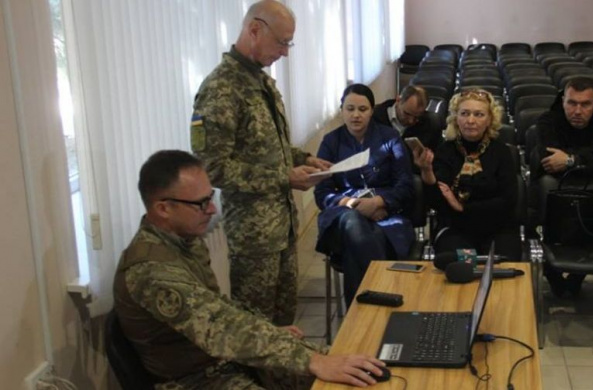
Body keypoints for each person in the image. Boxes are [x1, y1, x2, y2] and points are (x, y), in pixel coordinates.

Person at [114, 150, 386, 389]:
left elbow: (219, 307)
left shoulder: (183, 241)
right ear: (163, 209)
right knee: (322, 366)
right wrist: (312, 361)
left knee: (356, 373)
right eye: (200, 203)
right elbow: (221, 327)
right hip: (194, 379)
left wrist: (271, 332)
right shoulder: (151, 272)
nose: (211, 209)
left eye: (210, 198)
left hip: (224, 359)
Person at [190, 0, 331, 326]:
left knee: (283, 326)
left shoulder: (261, 81)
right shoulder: (220, 90)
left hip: (281, 228)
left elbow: (270, 149)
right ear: (254, 29)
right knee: (257, 328)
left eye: (289, 43)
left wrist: (305, 159)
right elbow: (212, 168)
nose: (285, 53)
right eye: (282, 42)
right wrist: (284, 177)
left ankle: (282, 380)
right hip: (254, 240)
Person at [314, 84, 415, 307]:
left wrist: (379, 202)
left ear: (372, 111)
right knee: (353, 223)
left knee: (356, 248)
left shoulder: (390, 137)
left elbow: (406, 184)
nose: (356, 115)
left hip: (385, 212)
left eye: (363, 109)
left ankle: (357, 317)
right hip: (343, 212)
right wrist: (353, 204)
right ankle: (380, 300)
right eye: (350, 108)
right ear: (341, 110)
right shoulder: (331, 142)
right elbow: (322, 192)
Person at [534, 77, 593, 296]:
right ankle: (556, 277)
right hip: (557, 198)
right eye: (571, 103)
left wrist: (570, 160)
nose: (577, 110)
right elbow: (549, 162)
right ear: (562, 100)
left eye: (585, 104)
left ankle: (576, 278)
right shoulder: (548, 120)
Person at [413, 89, 520, 260]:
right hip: (456, 229)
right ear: (456, 118)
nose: (471, 120)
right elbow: (438, 203)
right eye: (464, 113)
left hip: (497, 227)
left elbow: (508, 200)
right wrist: (427, 171)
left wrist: (463, 207)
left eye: (479, 114)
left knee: (501, 268)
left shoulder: (502, 152)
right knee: (465, 264)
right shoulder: (445, 150)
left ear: (489, 120)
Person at [372, 85, 443, 160]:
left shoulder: (431, 124)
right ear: (398, 100)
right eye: (407, 114)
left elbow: (438, 159)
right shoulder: (374, 118)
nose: (411, 121)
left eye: (416, 117)